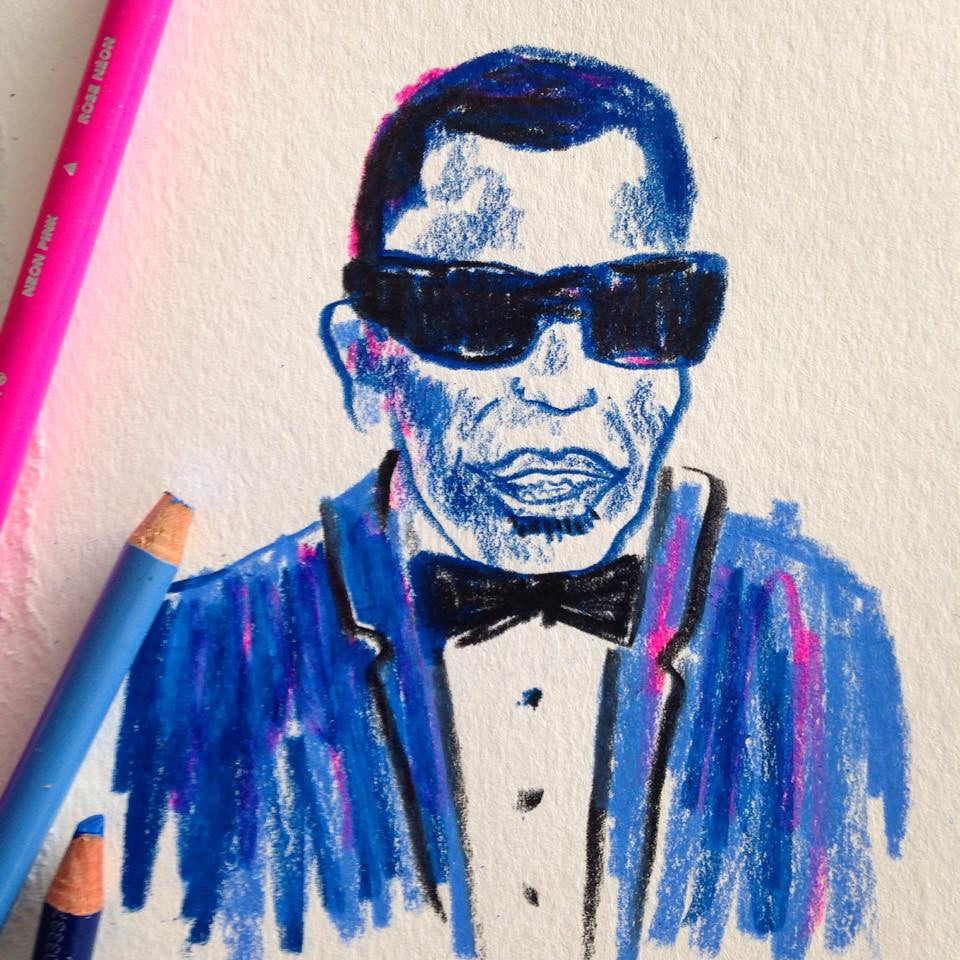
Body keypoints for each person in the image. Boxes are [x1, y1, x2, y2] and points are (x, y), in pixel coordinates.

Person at [113, 47, 909, 960]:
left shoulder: (824, 637)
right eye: (479, 317)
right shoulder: (198, 658)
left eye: (633, 311)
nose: (562, 389)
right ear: (366, 360)